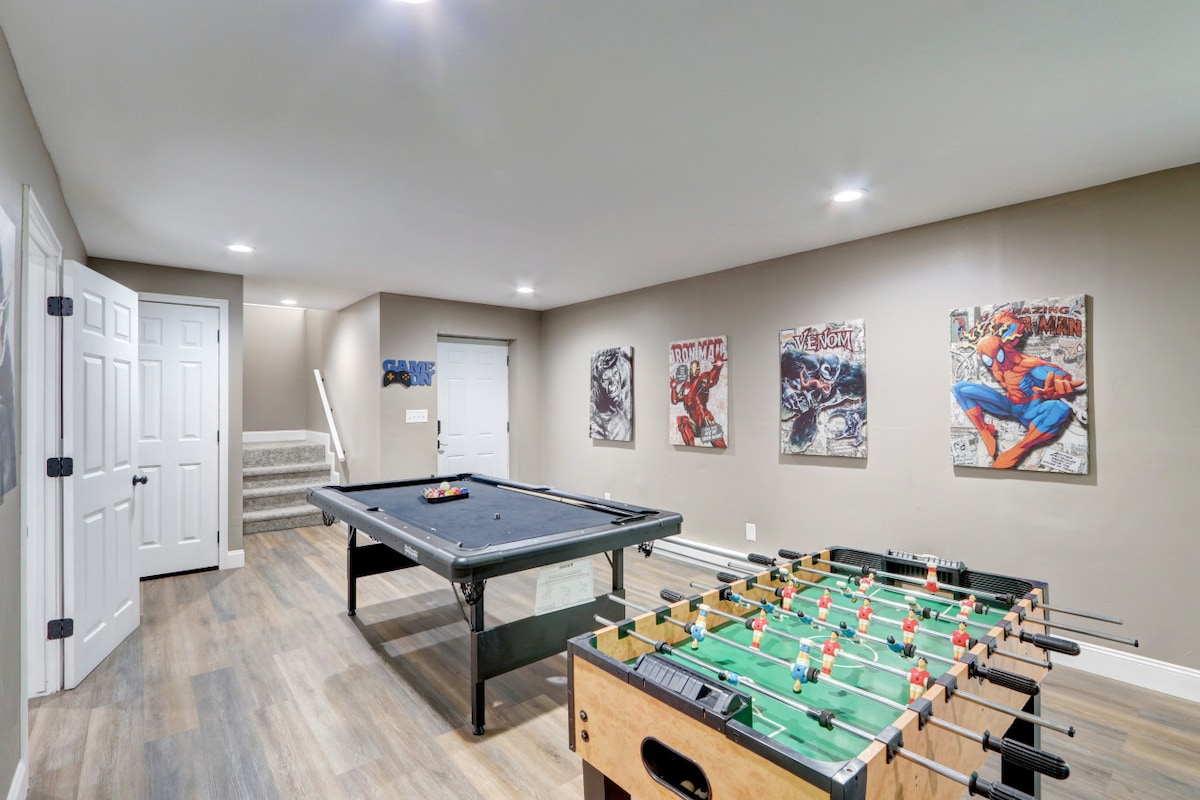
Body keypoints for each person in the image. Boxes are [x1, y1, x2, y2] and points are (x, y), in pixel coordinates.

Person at [952, 309, 1083, 469]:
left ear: (1003, 349)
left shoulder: (1025, 364)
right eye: (987, 360)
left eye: (997, 357)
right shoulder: (996, 362)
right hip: (1010, 405)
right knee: (960, 388)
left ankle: (1019, 449)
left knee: (1060, 408)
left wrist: (1061, 384)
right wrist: (1003, 320)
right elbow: (1014, 329)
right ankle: (985, 430)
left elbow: (1058, 375)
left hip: (1031, 411)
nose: (995, 364)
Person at [670, 353, 726, 447]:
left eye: (696, 368)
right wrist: (673, 389)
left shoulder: (701, 379)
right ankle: (690, 449)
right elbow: (675, 401)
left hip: (705, 420)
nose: (694, 370)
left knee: (720, 445)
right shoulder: (685, 386)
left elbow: (711, 380)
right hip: (694, 424)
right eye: (692, 367)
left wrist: (717, 368)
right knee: (682, 421)